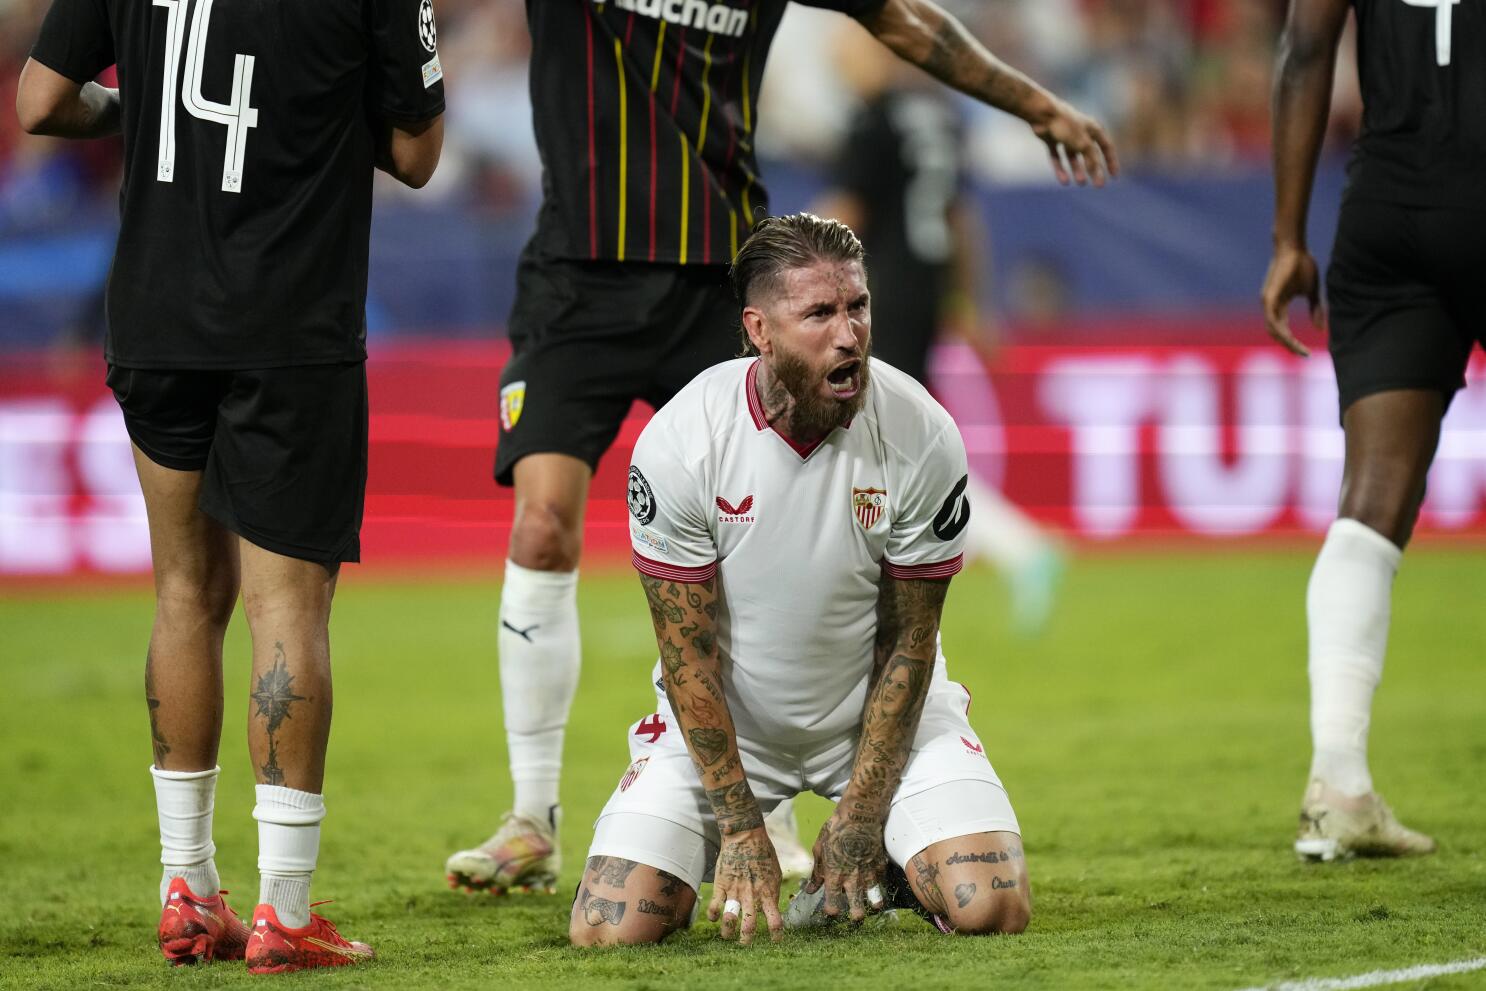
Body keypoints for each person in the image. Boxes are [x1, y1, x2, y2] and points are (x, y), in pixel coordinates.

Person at [448, 0, 1116, 899]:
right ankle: (533, 817)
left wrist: (1033, 103)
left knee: (763, 522)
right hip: (581, 274)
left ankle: (778, 805)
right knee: (541, 523)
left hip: (726, 274)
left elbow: (905, 22)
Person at [16, 0, 444, 970]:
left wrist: (147, 111)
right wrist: (317, 114)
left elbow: (41, 101)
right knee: (285, 603)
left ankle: (187, 887)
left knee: (181, 591)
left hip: (156, 314)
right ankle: (284, 909)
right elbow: (418, 155)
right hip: (291, 327)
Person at [568, 212, 1029, 947]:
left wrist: (864, 811)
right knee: (609, 926)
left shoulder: (922, 431)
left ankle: (904, 867)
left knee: (991, 904)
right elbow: (686, 656)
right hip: (731, 729)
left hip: (879, 719)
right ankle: (703, 850)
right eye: (820, 312)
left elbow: (911, 641)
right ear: (760, 329)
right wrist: (742, 826)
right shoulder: (684, 441)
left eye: (858, 307)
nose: (849, 334)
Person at [1261, 0, 1480, 860]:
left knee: (1370, 503)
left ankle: (1339, 782)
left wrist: (1286, 237)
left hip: (1390, 209)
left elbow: (1305, 42)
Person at [814, 20, 1065, 640]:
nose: (840, 62)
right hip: (924, 292)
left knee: (880, 442)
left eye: (846, 50)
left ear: (875, 48)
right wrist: (969, 303)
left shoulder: (871, 120)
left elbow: (850, 213)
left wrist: (771, 253)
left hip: (878, 296)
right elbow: (962, 218)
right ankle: (1004, 548)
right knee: (891, 443)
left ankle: (1016, 546)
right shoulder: (940, 116)